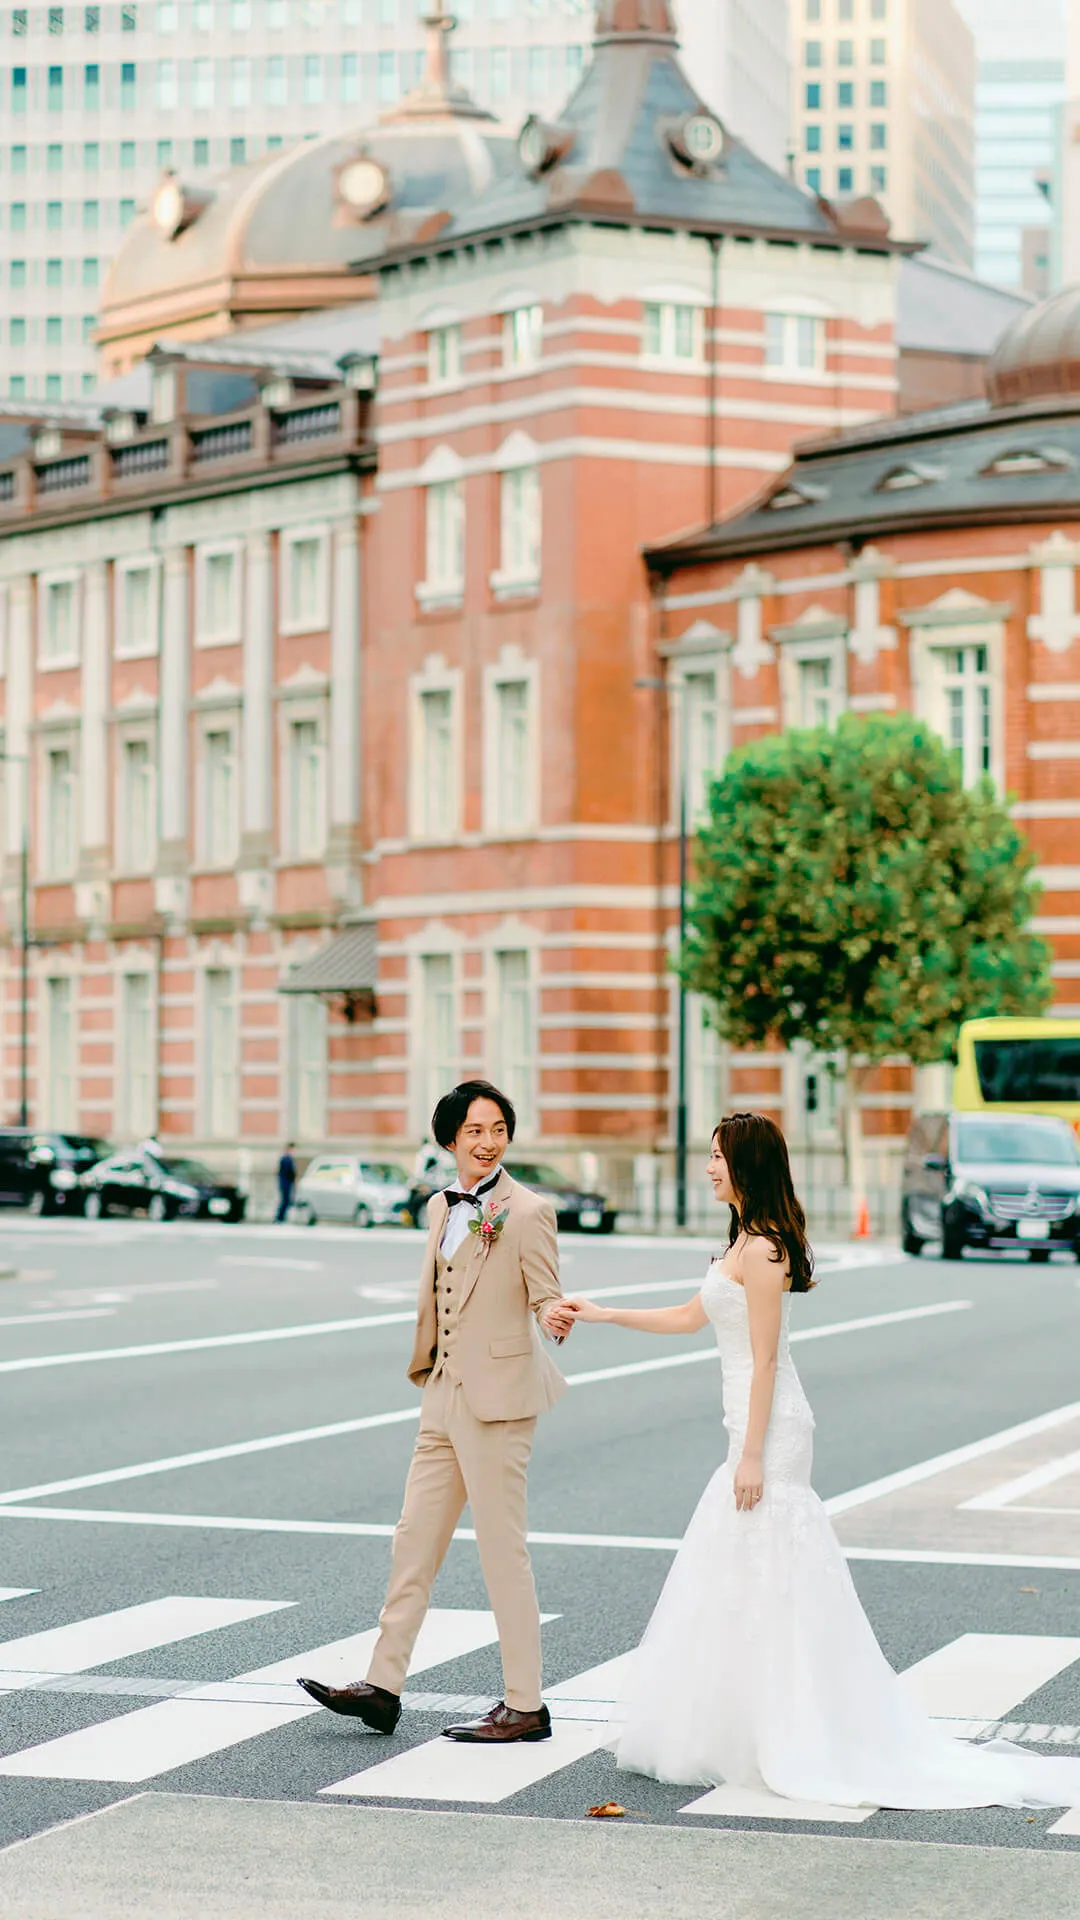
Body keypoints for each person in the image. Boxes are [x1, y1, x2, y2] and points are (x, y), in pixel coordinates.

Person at [564, 1110, 1080, 1811]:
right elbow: (692, 1316)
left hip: (770, 1426)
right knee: (744, 1562)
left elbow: (769, 1359)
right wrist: (602, 1313)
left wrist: (750, 1455)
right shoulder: (741, 1240)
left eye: (718, 1157)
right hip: (747, 1417)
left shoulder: (766, 1248)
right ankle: (743, 1723)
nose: (709, 1167)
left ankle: (792, 1727)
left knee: (767, 1555)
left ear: (747, 1165)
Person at [297, 1079, 576, 1744]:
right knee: (413, 1541)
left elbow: (545, 1292)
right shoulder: (438, 1208)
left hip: (501, 1402)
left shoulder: (527, 1210)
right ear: (449, 1139)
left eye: (498, 1130)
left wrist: (554, 1315)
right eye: (475, 1131)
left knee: (501, 1551)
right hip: (443, 1391)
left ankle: (525, 1704)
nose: (487, 1142)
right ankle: (383, 1687)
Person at [275, 1143, 296, 1223]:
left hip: (286, 1182)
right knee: (285, 1200)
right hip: (285, 1182)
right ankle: (280, 1217)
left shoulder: (288, 1158)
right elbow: (289, 1171)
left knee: (285, 1200)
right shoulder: (286, 1159)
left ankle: (280, 1217)